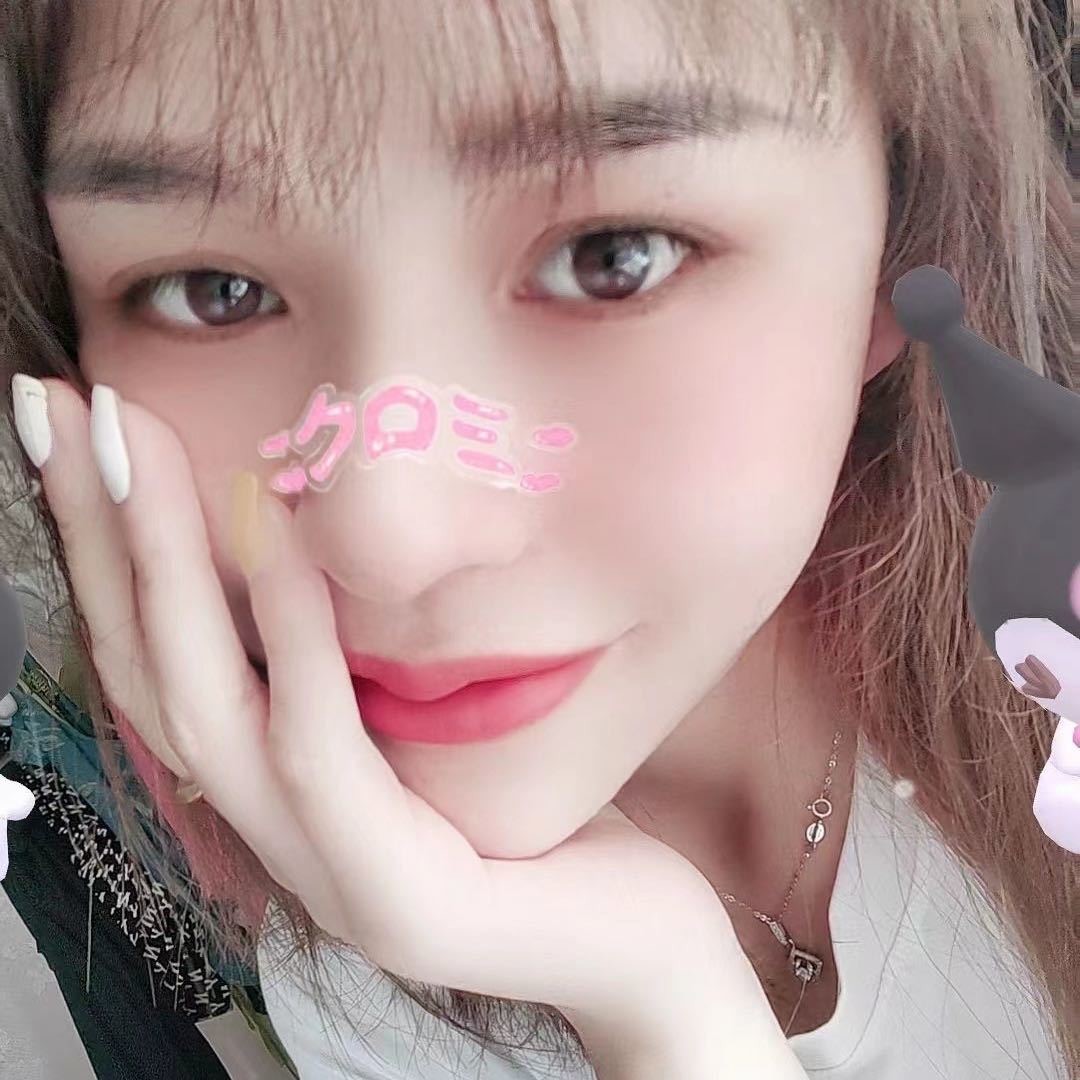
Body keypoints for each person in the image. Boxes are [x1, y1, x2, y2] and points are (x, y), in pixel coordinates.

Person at [0, 1, 1074, 1077]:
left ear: (901, 261)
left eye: (614, 258)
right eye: (214, 293)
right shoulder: (375, 977)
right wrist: (660, 1005)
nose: (391, 541)